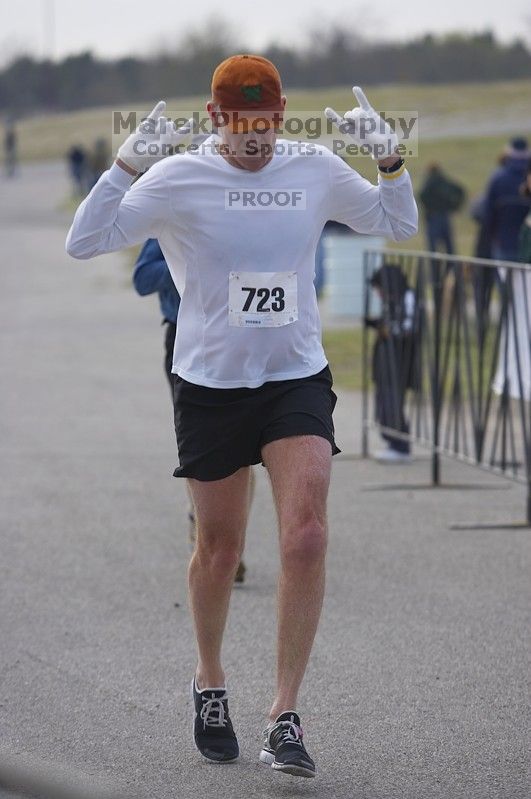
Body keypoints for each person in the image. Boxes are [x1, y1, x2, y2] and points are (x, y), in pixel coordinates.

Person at [66, 54, 417, 779]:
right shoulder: (179, 176)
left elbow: (396, 221)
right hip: (210, 381)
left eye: (265, 126)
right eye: (240, 126)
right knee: (219, 551)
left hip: (293, 373)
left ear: (281, 115)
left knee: (307, 534)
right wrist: (125, 166)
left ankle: (284, 714)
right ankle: (209, 680)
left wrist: (388, 158)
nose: (254, 141)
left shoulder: (312, 168)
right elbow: (85, 240)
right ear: (216, 117)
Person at [133, 238, 249, 582]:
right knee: (204, 450)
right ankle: (203, 522)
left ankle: (234, 546)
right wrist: (192, 267)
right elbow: (142, 278)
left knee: (242, 451)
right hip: (185, 339)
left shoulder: (238, 206)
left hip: (240, 336)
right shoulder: (178, 200)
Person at [365, 264, 417, 463]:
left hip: (399, 362)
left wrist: (384, 328)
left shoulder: (408, 299)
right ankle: (392, 441)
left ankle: (400, 445)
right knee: (383, 404)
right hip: (385, 363)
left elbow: (406, 329)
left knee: (393, 404)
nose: (378, 294)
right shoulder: (394, 300)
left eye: (379, 289)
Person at [480, 137, 530, 262]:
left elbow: (489, 213)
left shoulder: (498, 178)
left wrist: (490, 237)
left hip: (503, 243)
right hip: (527, 246)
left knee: (505, 280)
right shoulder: (525, 177)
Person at [419, 163, 465, 254]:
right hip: (445, 216)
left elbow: (422, 195)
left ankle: (435, 267)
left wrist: (429, 207)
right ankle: (452, 266)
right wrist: (454, 207)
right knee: (449, 246)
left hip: (433, 217)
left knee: (432, 247)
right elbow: (460, 190)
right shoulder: (444, 181)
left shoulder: (429, 182)